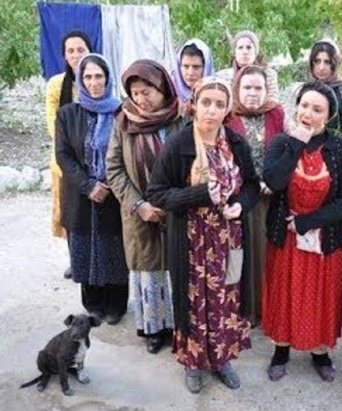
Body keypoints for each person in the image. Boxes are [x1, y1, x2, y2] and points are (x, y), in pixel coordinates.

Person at [146, 76, 259, 393]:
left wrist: (241, 205)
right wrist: (199, 195)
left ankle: (221, 359)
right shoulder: (179, 144)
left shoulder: (236, 144)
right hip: (191, 243)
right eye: (206, 102)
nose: (211, 110)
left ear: (228, 109)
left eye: (219, 104)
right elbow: (157, 193)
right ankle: (193, 363)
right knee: (194, 303)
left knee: (226, 299)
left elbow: (251, 185)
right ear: (194, 105)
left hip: (229, 240)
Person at [261, 81, 342, 382]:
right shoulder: (281, 143)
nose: (308, 113)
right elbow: (273, 181)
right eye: (304, 106)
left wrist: (306, 222)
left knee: (321, 296)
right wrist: (297, 144)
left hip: (325, 240)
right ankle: (281, 350)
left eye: (317, 109)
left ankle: (320, 353)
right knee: (284, 294)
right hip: (285, 239)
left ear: (328, 116)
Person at [106, 60, 184, 353]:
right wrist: (139, 205)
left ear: (163, 88)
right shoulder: (124, 121)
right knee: (149, 270)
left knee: (176, 269)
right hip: (139, 210)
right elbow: (114, 168)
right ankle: (153, 330)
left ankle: (178, 327)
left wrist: (176, 200)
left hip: (177, 209)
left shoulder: (181, 118)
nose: (141, 99)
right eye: (135, 93)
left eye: (147, 92)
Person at [55, 53, 129, 326]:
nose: (94, 82)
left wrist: (109, 183)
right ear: (80, 80)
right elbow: (63, 155)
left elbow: (128, 152)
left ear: (108, 79)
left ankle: (116, 306)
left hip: (114, 193)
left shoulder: (122, 113)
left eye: (99, 76)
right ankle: (93, 305)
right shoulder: (68, 114)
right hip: (81, 195)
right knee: (85, 250)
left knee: (115, 249)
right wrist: (88, 185)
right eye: (88, 77)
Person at [225, 65, 285, 325]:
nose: (253, 93)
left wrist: (273, 181)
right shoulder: (228, 115)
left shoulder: (276, 114)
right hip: (239, 198)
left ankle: (265, 307)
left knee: (264, 253)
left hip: (270, 198)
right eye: (247, 87)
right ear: (237, 88)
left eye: (258, 88)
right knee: (241, 252)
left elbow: (285, 151)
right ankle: (242, 308)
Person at [46, 30, 93, 279]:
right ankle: (76, 260)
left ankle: (94, 258)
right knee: (70, 213)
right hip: (64, 161)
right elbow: (52, 124)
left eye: (80, 49)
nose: (76, 55)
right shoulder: (56, 85)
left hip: (94, 159)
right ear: (64, 55)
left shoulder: (97, 79)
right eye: (71, 51)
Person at [308, 39, 342, 139]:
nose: (321, 67)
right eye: (317, 61)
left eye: (327, 62)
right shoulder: (307, 89)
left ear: (335, 63)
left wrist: (341, 146)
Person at [216, 30, 280, 102]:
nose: (245, 52)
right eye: (240, 48)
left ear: (256, 52)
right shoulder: (222, 77)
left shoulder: (269, 75)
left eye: (249, 47)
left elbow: (272, 102)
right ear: (234, 53)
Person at [171, 38, 214, 104]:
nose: (190, 73)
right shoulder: (169, 91)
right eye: (186, 66)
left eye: (196, 67)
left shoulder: (217, 93)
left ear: (206, 68)